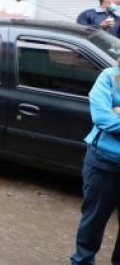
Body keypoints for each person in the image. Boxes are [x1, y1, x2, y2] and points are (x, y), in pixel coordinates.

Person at [71, 60, 120, 264]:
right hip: (103, 163)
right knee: (93, 221)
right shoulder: (108, 77)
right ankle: (82, 261)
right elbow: (103, 119)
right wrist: (112, 114)